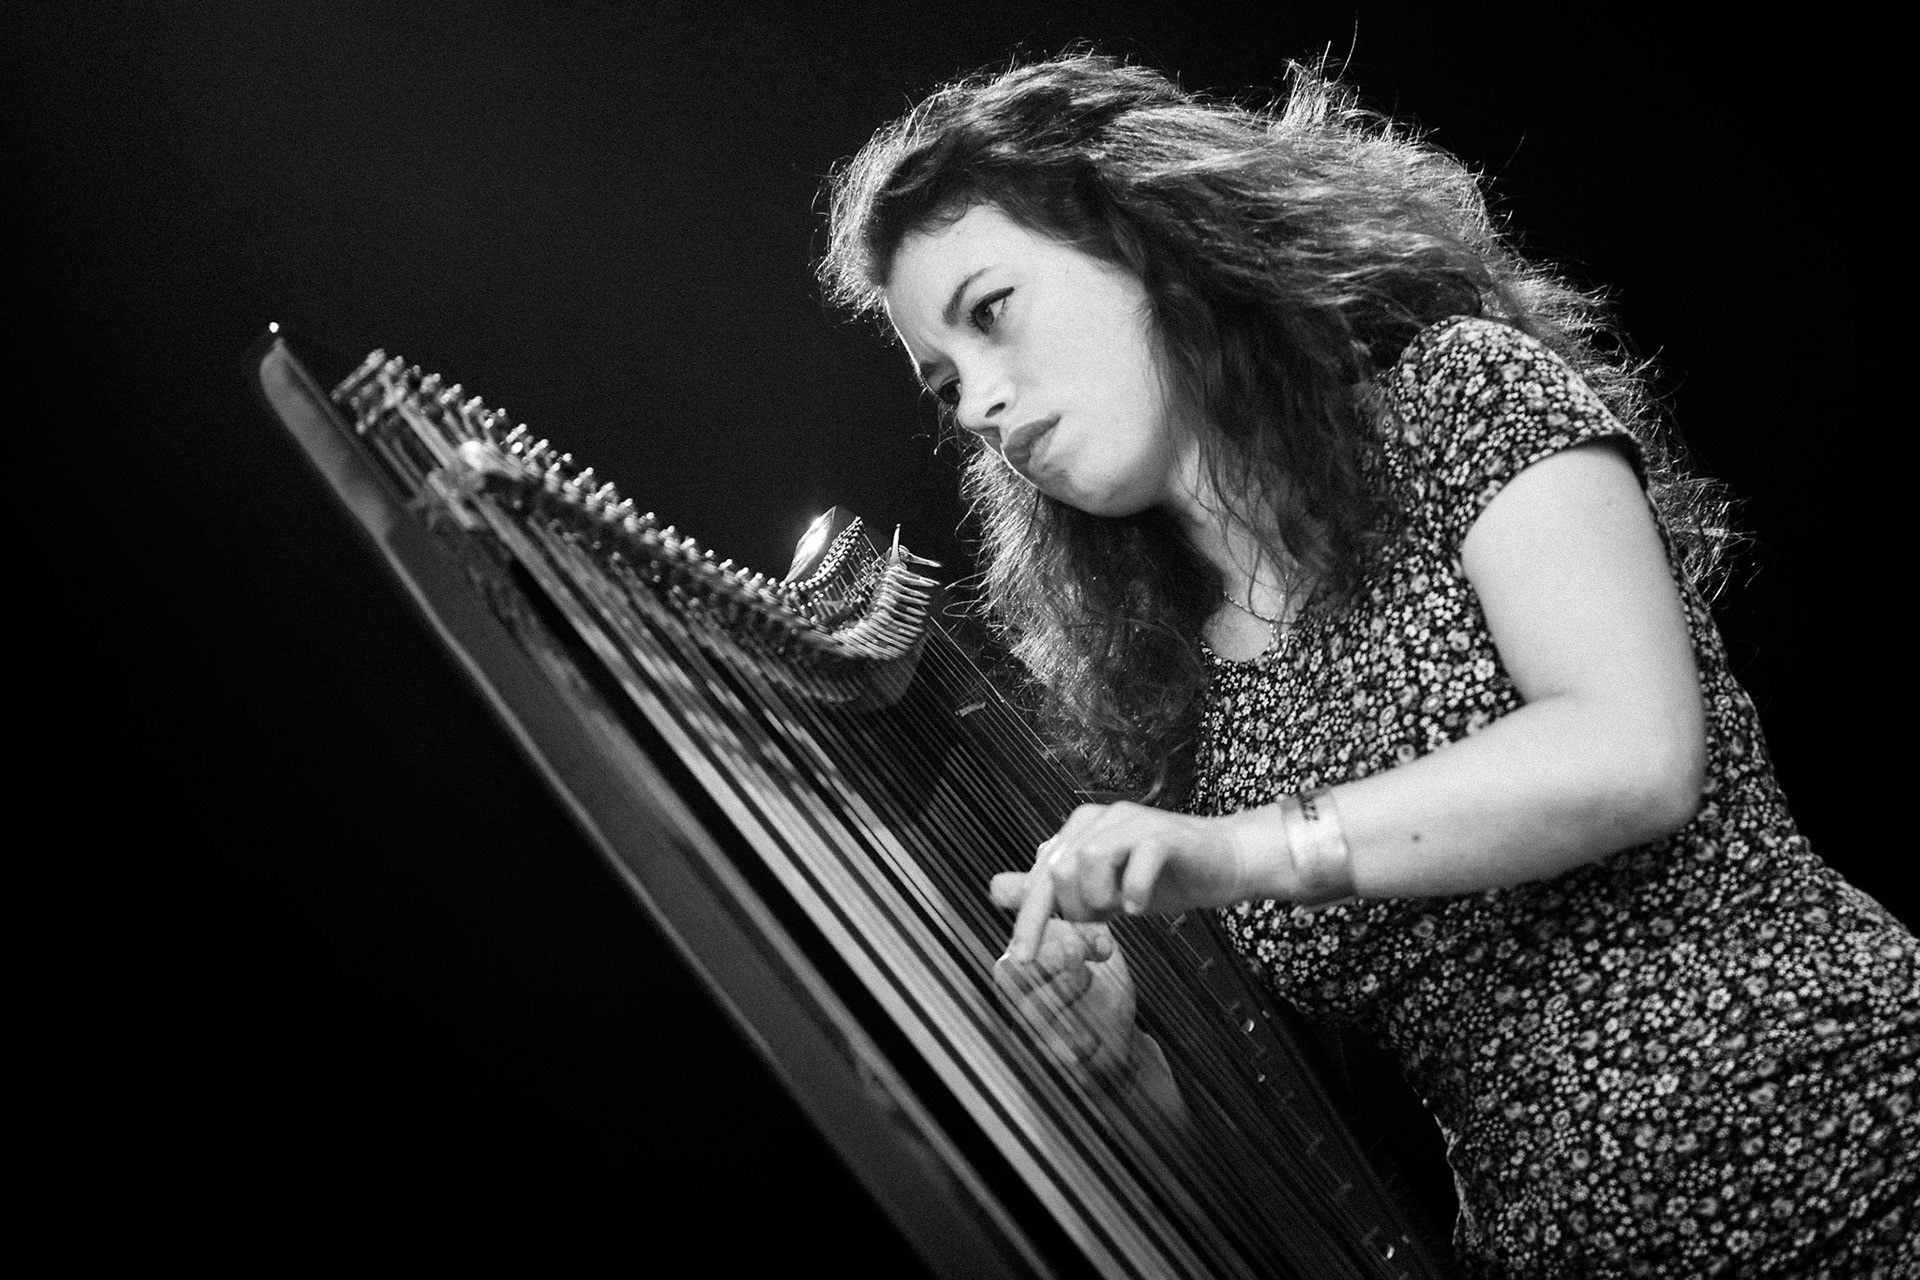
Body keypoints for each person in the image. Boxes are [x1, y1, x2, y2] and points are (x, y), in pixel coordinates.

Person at [820, 53, 1917, 1278]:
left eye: (990, 310)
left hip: (1841, 1144)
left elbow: (1632, 754)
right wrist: (1118, 1070)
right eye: (942, 379)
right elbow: (1299, 1158)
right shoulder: (1172, 707)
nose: (973, 401)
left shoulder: (1462, 397)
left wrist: (1246, 852)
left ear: (1142, 235)